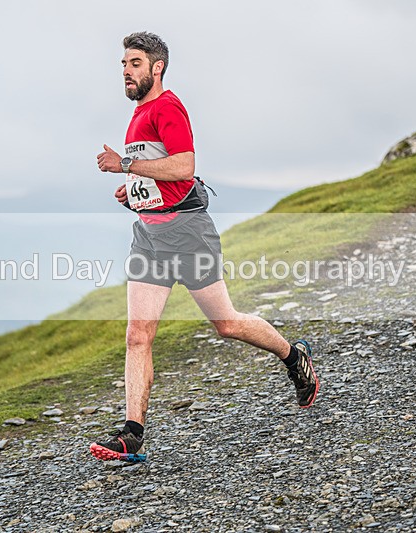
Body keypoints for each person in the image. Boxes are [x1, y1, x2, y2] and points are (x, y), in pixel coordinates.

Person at [90, 32, 318, 463]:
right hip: (150, 235)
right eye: (123, 63)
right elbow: (161, 172)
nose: (125, 70)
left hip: (188, 232)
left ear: (157, 68)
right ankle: (132, 435)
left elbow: (184, 165)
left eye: (135, 63)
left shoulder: (168, 106)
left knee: (227, 324)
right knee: (138, 335)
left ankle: (294, 356)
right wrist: (134, 190)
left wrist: (123, 164)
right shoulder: (139, 113)